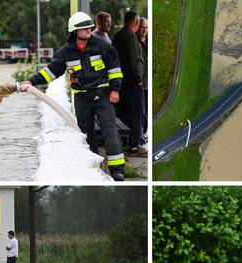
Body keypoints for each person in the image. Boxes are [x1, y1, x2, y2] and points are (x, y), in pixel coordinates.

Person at [21, 12, 126, 181]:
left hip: (103, 95)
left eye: (89, 27)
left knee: (110, 131)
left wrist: (115, 90)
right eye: (84, 28)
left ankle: (117, 170)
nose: (88, 30)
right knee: (85, 134)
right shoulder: (66, 52)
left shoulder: (102, 46)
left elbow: (115, 68)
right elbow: (52, 71)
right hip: (82, 98)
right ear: (74, 31)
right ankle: (92, 167)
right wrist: (33, 81)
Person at [113, 10, 147, 157]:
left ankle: (131, 142)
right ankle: (135, 145)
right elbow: (134, 61)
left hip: (121, 81)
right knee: (136, 112)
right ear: (136, 22)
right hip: (132, 83)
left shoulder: (118, 36)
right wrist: (138, 78)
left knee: (127, 112)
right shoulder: (131, 37)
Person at [136, 17, 148, 137]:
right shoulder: (135, 42)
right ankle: (141, 135)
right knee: (141, 111)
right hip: (140, 83)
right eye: (142, 27)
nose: (144, 30)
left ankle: (144, 133)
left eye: (146, 27)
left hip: (148, 83)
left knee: (147, 111)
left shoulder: (148, 41)